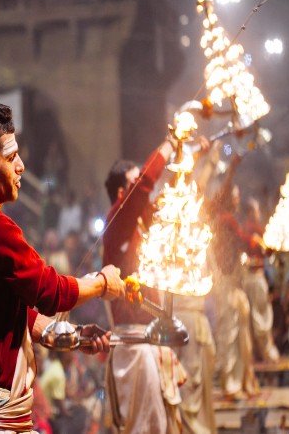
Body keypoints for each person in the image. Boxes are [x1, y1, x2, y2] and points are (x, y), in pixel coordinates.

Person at [0, 99, 125, 433]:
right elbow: (51, 293)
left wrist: (71, 336)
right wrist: (102, 283)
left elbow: (15, 313)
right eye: (10, 158)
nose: (21, 166)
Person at [103, 134, 192, 434]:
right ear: (120, 193)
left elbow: (176, 204)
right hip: (134, 347)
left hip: (153, 342)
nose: (142, 188)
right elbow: (143, 186)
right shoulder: (116, 224)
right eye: (133, 183)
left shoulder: (144, 226)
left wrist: (189, 157)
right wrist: (168, 144)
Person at [206, 155, 259, 399]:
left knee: (239, 332)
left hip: (232, 283)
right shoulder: (223, 219)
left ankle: (238, 381)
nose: (237, 200)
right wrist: (233, 169)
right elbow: (243, 241)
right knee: (229, 333)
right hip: (225, 283)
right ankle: (230, 383)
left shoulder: (225, 219)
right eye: (234, 197)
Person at [241, 198, 279, 363]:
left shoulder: (246, 230)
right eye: (256, 211)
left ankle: (256, 355)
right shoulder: (252, 232)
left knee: (253, 319)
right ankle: (266, 354)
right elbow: (267, 251)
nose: (258, 214)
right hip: (254, 280)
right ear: (250, 213)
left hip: (249, 280)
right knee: (260, 319)